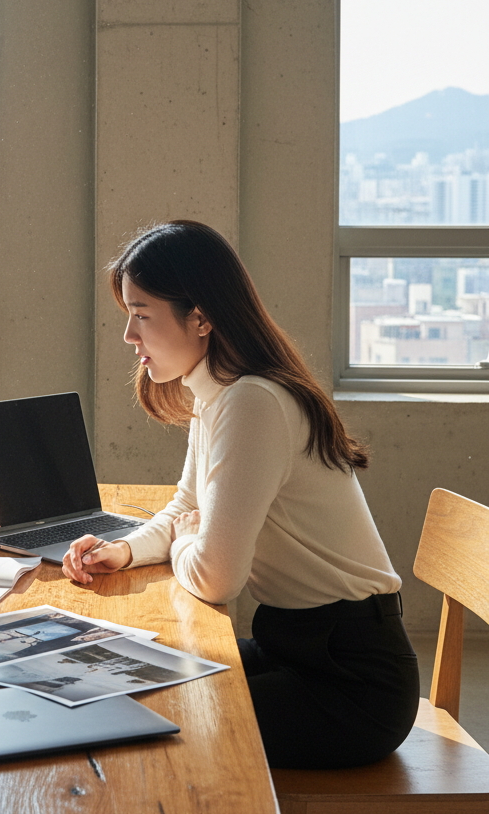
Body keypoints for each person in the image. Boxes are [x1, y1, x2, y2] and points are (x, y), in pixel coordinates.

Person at [61, 220, 419, 770]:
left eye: (141, 314)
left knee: (152, 724)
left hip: (351, 683)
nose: (129, 336)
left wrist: (184, 545)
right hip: (297, 648)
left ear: (200, 316)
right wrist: (128, 549)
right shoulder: (221, 393)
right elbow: (185, 509)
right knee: (126, 687)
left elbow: (216, 577)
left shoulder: (253, 403)